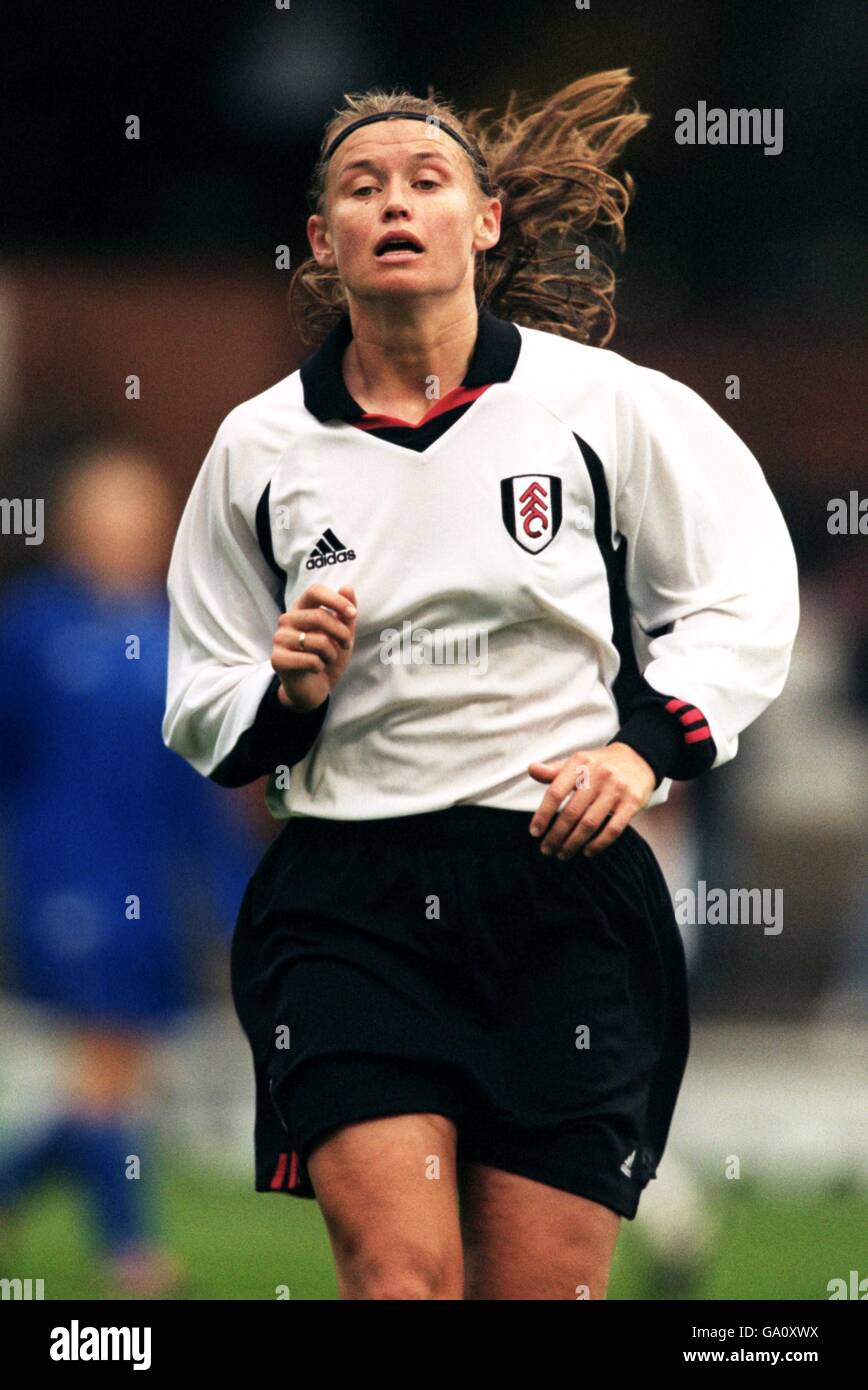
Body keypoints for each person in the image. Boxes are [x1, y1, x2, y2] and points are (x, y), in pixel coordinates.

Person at [162, 73, 800, 1300]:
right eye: (362, 188)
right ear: (322, 240)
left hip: (562, 894)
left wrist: (640, 750)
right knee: (401, 1280)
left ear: (486, 220)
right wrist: (288, 692)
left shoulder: (606, 406)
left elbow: (740, 592)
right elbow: (200, 687)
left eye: (426, 180)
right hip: (348, 903)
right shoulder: (259, 446)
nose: (395, 203)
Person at [0, 444, 255, 1295]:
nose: (126, 528)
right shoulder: (32, 629)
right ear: (73, 523)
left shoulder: (177, 634)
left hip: (152, 890)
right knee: (106, 1065)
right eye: (108, 509)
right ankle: (131, 1253)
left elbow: (199, 789)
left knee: (114, 1080)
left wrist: (234, 898)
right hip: (63, 885)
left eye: (140, 511)